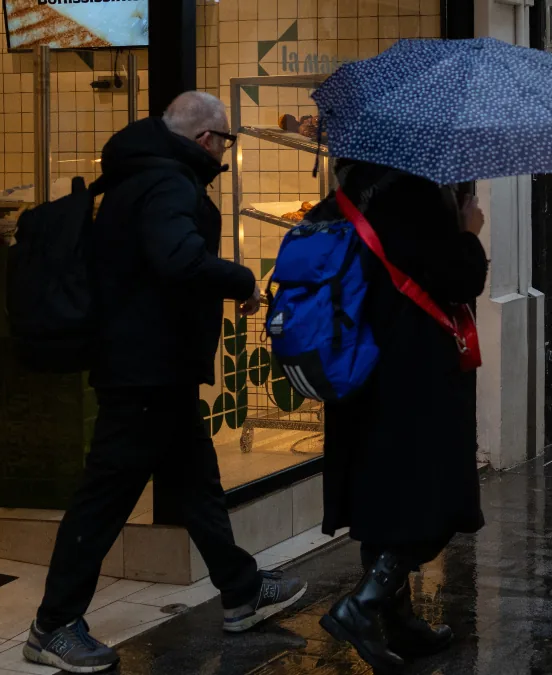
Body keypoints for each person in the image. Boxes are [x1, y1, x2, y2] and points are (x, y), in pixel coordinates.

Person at [24, 92, 306, 674]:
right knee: (105, 498)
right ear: (206, 140)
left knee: (197, 484)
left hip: (156, 367)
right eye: (225, 141)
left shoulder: (141, 175)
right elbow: (177, 259)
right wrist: (242, 278)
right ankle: (53, 625)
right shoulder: (170, 184)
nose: (225, 151)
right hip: (144, 371)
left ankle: (241, 589)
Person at [316, 159, 488, 672]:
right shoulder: (415, 197)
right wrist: (468, 231)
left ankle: (400, 624)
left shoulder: (352, 190)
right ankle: (362, 605)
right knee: (428, 498)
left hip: (357, 366)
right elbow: (460, 278)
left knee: (382, 496)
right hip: (412, 373)